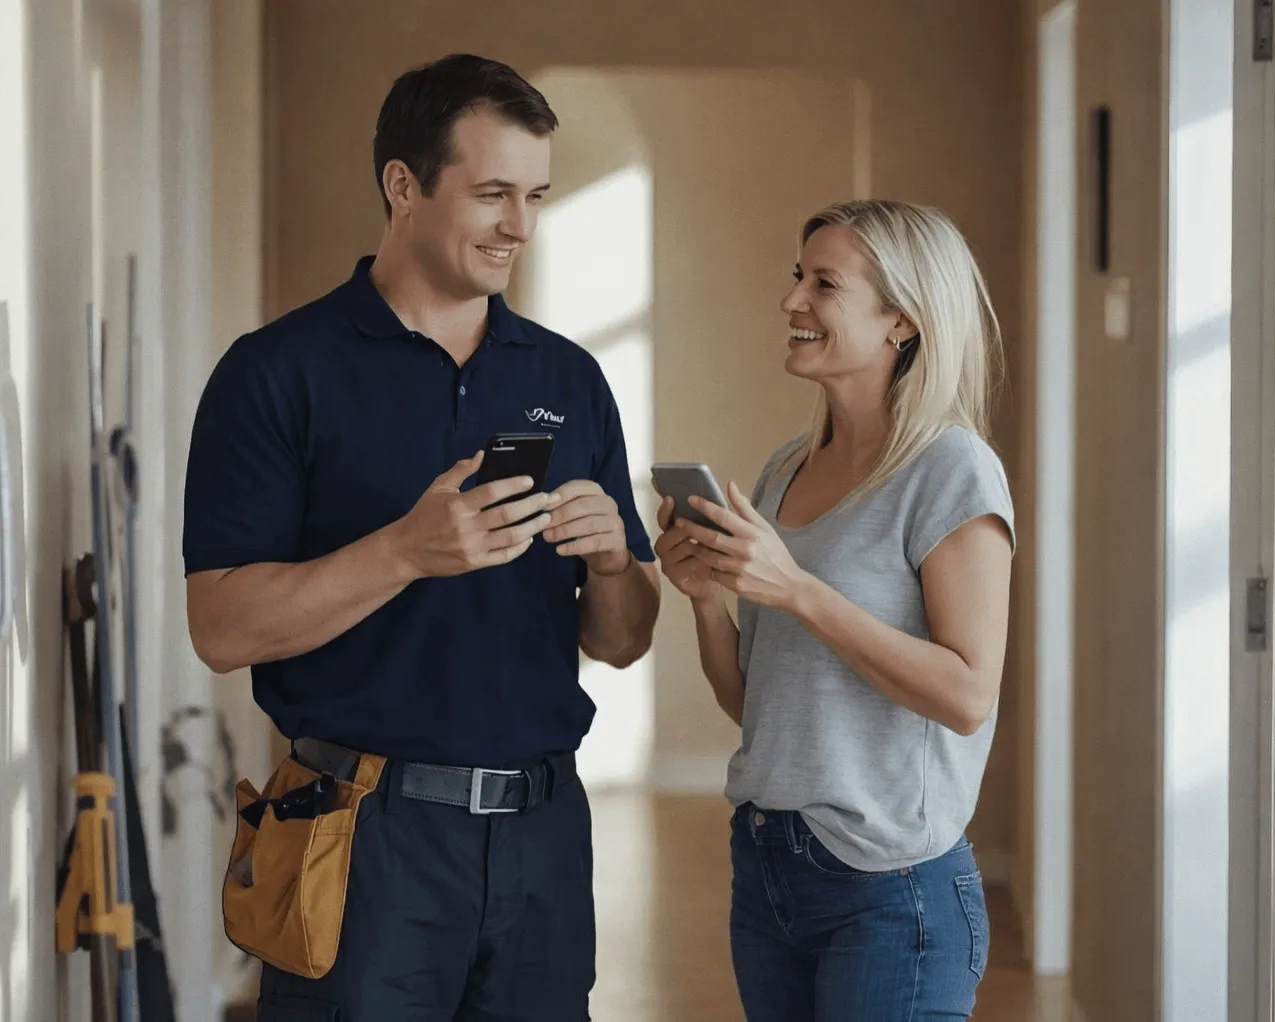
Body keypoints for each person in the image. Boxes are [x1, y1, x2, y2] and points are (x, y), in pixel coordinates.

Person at [183, 53, 660, 1021]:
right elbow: (222, 630)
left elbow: (620, 639)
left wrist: (613, 560)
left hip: (544, 837)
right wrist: (402, 550)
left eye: (534, 194)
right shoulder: (275, 372)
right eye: (491, 193)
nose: (519, 225)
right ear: (403, 184)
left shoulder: (568, 378)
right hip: (358, 831)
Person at [654, 199, 1015, 1021]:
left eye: (824, 284)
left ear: (902, 322)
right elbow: (760, 706)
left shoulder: (951, 470)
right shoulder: (786, 470)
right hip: (771, 870)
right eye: (796, 278)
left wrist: (798, 591)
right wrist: (710, 604)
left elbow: (967, 695)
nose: (792, 302)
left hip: (892, 893)